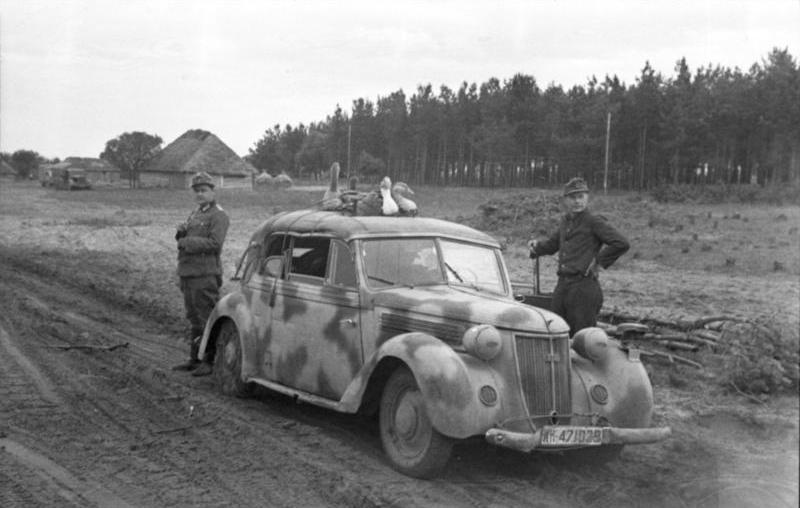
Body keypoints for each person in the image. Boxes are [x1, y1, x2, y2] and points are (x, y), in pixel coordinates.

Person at [528, 177, 629, 336]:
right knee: (555, 332)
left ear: (587, 198)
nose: (577, 201)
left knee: (582, 338)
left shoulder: (594, 221)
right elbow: (553, 244)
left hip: (583, 289)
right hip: (563, 287)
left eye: (581, 197)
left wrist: (598, 262)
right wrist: (536, 248)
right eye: (573, 197)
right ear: (565, 200)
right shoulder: (565, 222)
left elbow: (621, 243)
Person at [172, 172, 230, 376]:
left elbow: (215, 244)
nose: (200, 194)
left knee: (206, 317)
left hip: (204, 274)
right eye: (196, 191)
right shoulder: (196, 213)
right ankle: (195, 358)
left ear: (213, 192)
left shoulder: (218, 215)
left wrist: (187, 242)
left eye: (204, 190)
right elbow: (187, 236)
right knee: (193, 317)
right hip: (188, 272)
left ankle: (208, 360)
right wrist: (181, 233)